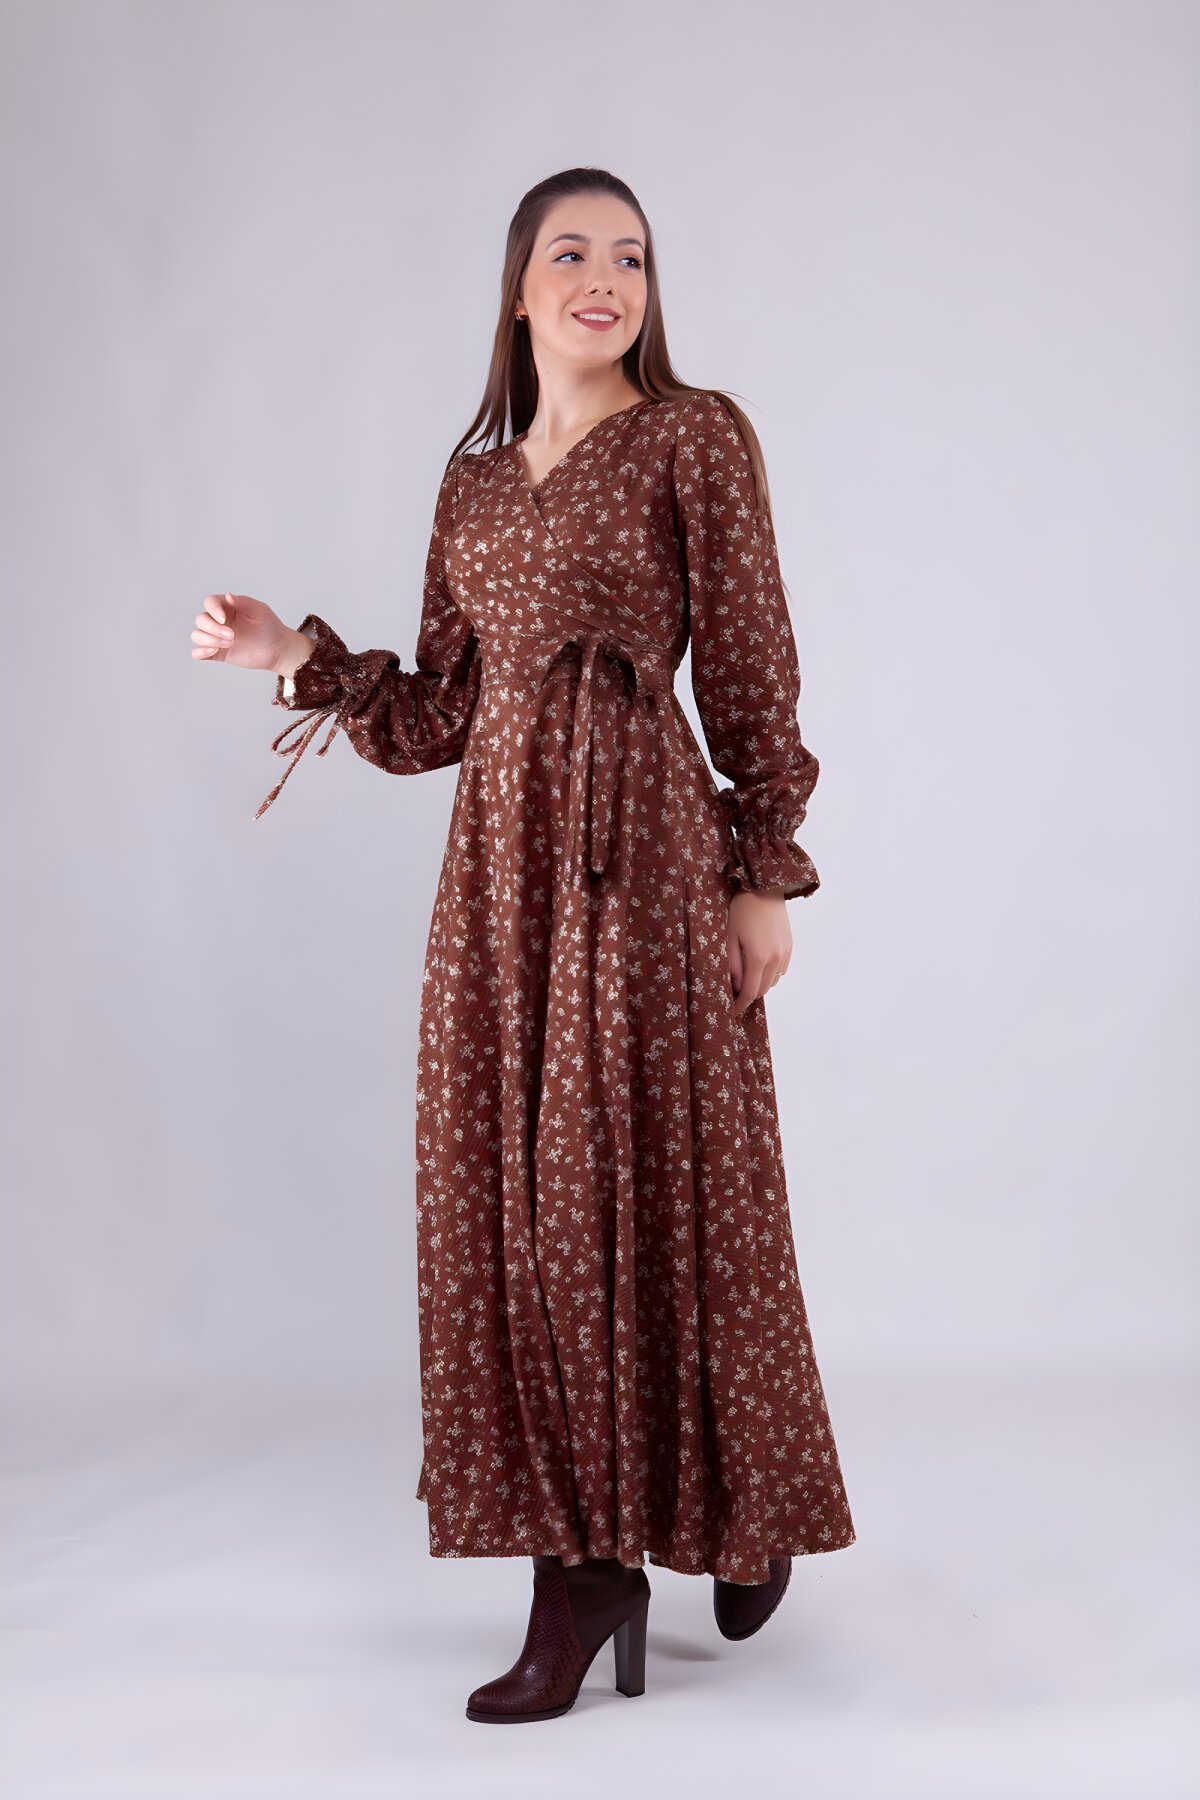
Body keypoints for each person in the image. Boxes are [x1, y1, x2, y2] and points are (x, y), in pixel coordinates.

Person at [191, 166, 856, 1724]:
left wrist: (763, 873)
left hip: (647, 862)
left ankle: (736, 1501)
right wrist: (293, 654)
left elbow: (752, 660)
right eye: (571, 253)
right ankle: (583, 1572)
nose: (603, 278)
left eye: (630, 256)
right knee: (521, 1209)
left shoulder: (695, 437)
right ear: (517, 289)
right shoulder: (474, 486)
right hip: (500, 891)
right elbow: (439, 714)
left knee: (663, 1183)